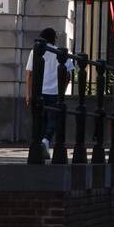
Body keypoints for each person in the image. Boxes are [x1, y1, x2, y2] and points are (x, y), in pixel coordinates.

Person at [25, 27, 73, 158]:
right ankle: (45, 141)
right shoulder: (61, 53)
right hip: (55, 92)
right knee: (54, 119)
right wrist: (62, 90)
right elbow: (68, 75)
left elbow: (29, 74)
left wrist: (28, 94)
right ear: (53, 39)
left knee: (39, 119)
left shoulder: (35, 51)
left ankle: (38, 146)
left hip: (39, 91)